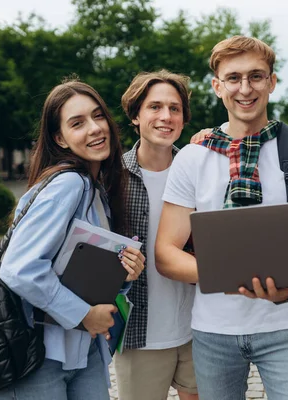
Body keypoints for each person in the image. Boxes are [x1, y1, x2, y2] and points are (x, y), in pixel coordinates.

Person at [155, 36, 288, 400]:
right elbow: (165, 253)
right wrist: (232, 272)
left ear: (272, 81)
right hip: (212, 330)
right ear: (217, 86)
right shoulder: (192, 158)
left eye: (256, 76)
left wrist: (285, 289)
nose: (245, 88)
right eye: (233, 78)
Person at [0, 79, 146, 400]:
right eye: (78, 123)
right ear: (60, 139)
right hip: (39, 356)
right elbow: (19, 269)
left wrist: (125, 273)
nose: (94, 129)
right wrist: (83, 315)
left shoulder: (97, 190)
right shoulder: (69, 185)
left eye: (98, 116)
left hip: (83, 351)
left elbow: (79, 273)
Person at [114, 70, 198, 400]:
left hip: (199, 327)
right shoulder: (113, 179)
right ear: (136, 115)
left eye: (174, 108)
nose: (166, 117)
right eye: (155, 107)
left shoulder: (199, 171)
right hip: (139, 335)